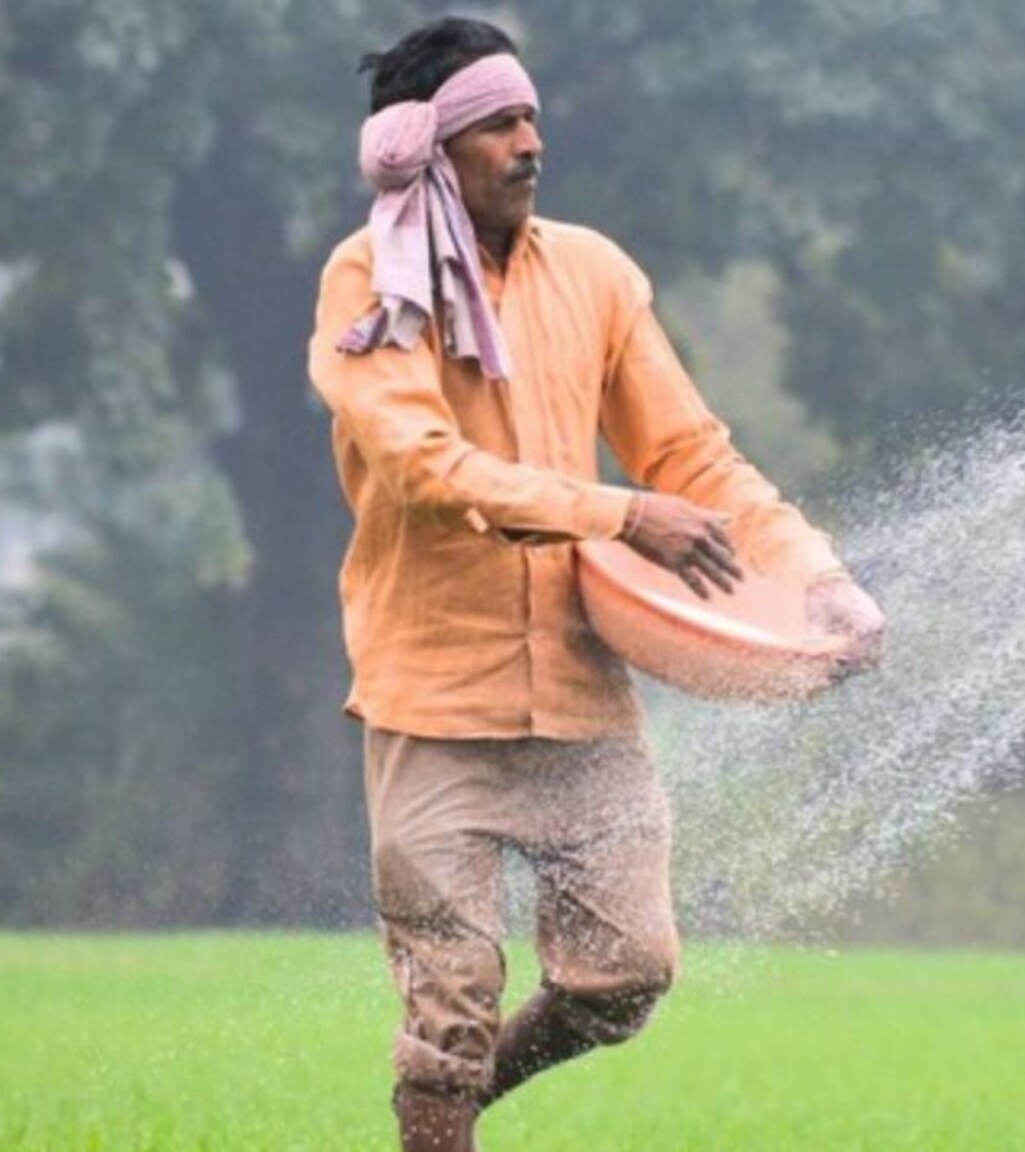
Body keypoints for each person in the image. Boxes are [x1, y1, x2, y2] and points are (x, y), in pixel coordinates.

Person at [306, 17, 886, 1151]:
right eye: (496, 125)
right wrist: (619, 513)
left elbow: (693, 457)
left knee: (625, 975)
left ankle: (455, 1106)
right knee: (447, 1008)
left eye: (530, 117)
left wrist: (819, 577)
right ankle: (440, 1105)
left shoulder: (597, 273)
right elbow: (426, 469)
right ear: (426, 149)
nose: (529, 142)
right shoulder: (370, 280)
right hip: (433, 704)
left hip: (582, 698)